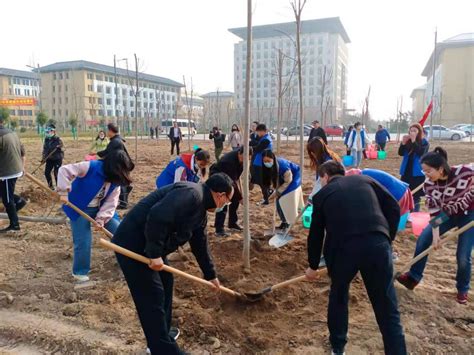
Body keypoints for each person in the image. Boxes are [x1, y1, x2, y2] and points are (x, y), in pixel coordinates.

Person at [112, 173, 234, 355]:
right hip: (133, 245)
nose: (225, 205)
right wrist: (154, 253)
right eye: (227, 201)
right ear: (220, 195)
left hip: (149, 246)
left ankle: (162, 333)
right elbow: (158, 215)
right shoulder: (191, 194)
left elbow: (200, 244)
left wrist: (211, 275)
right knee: (152, 296)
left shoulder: (200, 210)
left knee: (166, 281)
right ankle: (161, 349)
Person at [306, 161, 406, 355]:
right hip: (377, 246)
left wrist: (312, 265)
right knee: (386, 305)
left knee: (339, 296)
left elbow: (316, 234)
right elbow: (393, 207)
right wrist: (387, 237)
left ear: (325, 176)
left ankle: (338, 347)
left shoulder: (322, 195)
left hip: (342, 251)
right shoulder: (366, 180)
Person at [396, 147, 473, 304]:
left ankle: (462, 289)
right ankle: (413, 277)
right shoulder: (429, 185)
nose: (427, 175)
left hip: (469, 215)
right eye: (424, 172)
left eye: (428, 171)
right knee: (425, 239)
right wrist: (436, 237)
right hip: (447, 214)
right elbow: (434, 213)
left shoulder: (464, 172)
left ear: (440, 168)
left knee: (463, 255)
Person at [57, 150, 134, 282]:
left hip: (102, 208)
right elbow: (64, 170)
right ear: (113, 167)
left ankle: (127, 266)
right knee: (83, 241)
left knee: (120, 234)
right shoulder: (89, 167)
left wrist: (101, 219)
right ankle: (80, 273)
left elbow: (111, 202)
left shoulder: (116, 181)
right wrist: (63, 192)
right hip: (79, 207)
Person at [210, 146, 252, 237]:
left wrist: (240, 195)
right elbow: (232, 182)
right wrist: (240, 197)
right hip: (218, 176)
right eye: (243, 158)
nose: (245, 160)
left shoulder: (243, 160)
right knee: (223, 201)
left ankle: (232, 223)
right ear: (239, 153)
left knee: (235, 199)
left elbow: (237, 179)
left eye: (248, 159)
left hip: (229, 178)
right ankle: (219, 229)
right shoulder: (229, 162)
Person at [262, 150, 303, 230]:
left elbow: (288, 181)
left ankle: (288, 222)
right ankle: (284, 222)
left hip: (293, 179)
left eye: (268, 161)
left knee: (284, 199)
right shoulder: (269, 167)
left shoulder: (283, 167)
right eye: (264, 161)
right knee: (278, 202)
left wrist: (278, 192)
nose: (266, 163)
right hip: (283, 180)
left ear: (273, 159)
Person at [346, 168, 414, 216]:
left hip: (396, 192)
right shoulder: (364, 173)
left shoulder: (362, 179)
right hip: (401, 189)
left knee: (385, 217)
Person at [97, 123, 135, 209]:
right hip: (121, 163)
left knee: (120, 182)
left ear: (111, 131)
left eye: (107, 130)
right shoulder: (117, 140)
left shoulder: (115, 142)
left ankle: (123, 203)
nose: (106, 132)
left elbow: (107, 152)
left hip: (119, 164)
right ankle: (123, 201)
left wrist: (96, 153)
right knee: (122, 182)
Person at [0, 116, 25, 233]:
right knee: (4, 193)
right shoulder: (12, 133)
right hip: (16, 169)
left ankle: (14, 225)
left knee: (7, 199)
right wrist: (22, 167)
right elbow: (22, 151)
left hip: (6, 173)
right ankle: (19, 201)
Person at [398, 123, 429, 212]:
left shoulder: (424, 142)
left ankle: (415, 213)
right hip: (406, 171)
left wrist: (413, 140)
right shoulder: (407, 141)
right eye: (411, 131)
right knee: (405, 193)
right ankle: (407, 214)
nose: (412, 132)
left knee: (417, 195)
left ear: (419, 132)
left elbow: (420, 153)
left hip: (418, 173)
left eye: (415, 131)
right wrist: (403, 143)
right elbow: (400, 153)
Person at [251, 123, 273, 205]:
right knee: (263, 182)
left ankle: (266, 199)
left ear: (263, 131)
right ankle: (267, 195)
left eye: (258, 132)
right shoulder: (264, 138)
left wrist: (248, 148)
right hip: (261, 162)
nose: (257, 133)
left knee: (263, 182)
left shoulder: (266, 140)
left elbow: (257, 149)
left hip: (262, 163)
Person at [42, 124, 64, 190]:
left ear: (53, 132)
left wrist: (59, 146)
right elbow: (45, 149)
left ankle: (59, 188)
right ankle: (51, 187)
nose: (47, 133)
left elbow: (62, 146)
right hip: (49, 159)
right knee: (47, 173)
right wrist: (43, 158)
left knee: (56, 173)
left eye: (48, 132)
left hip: (57, 159)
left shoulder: (57, 139)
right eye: (46, 132)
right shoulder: (46, 139)